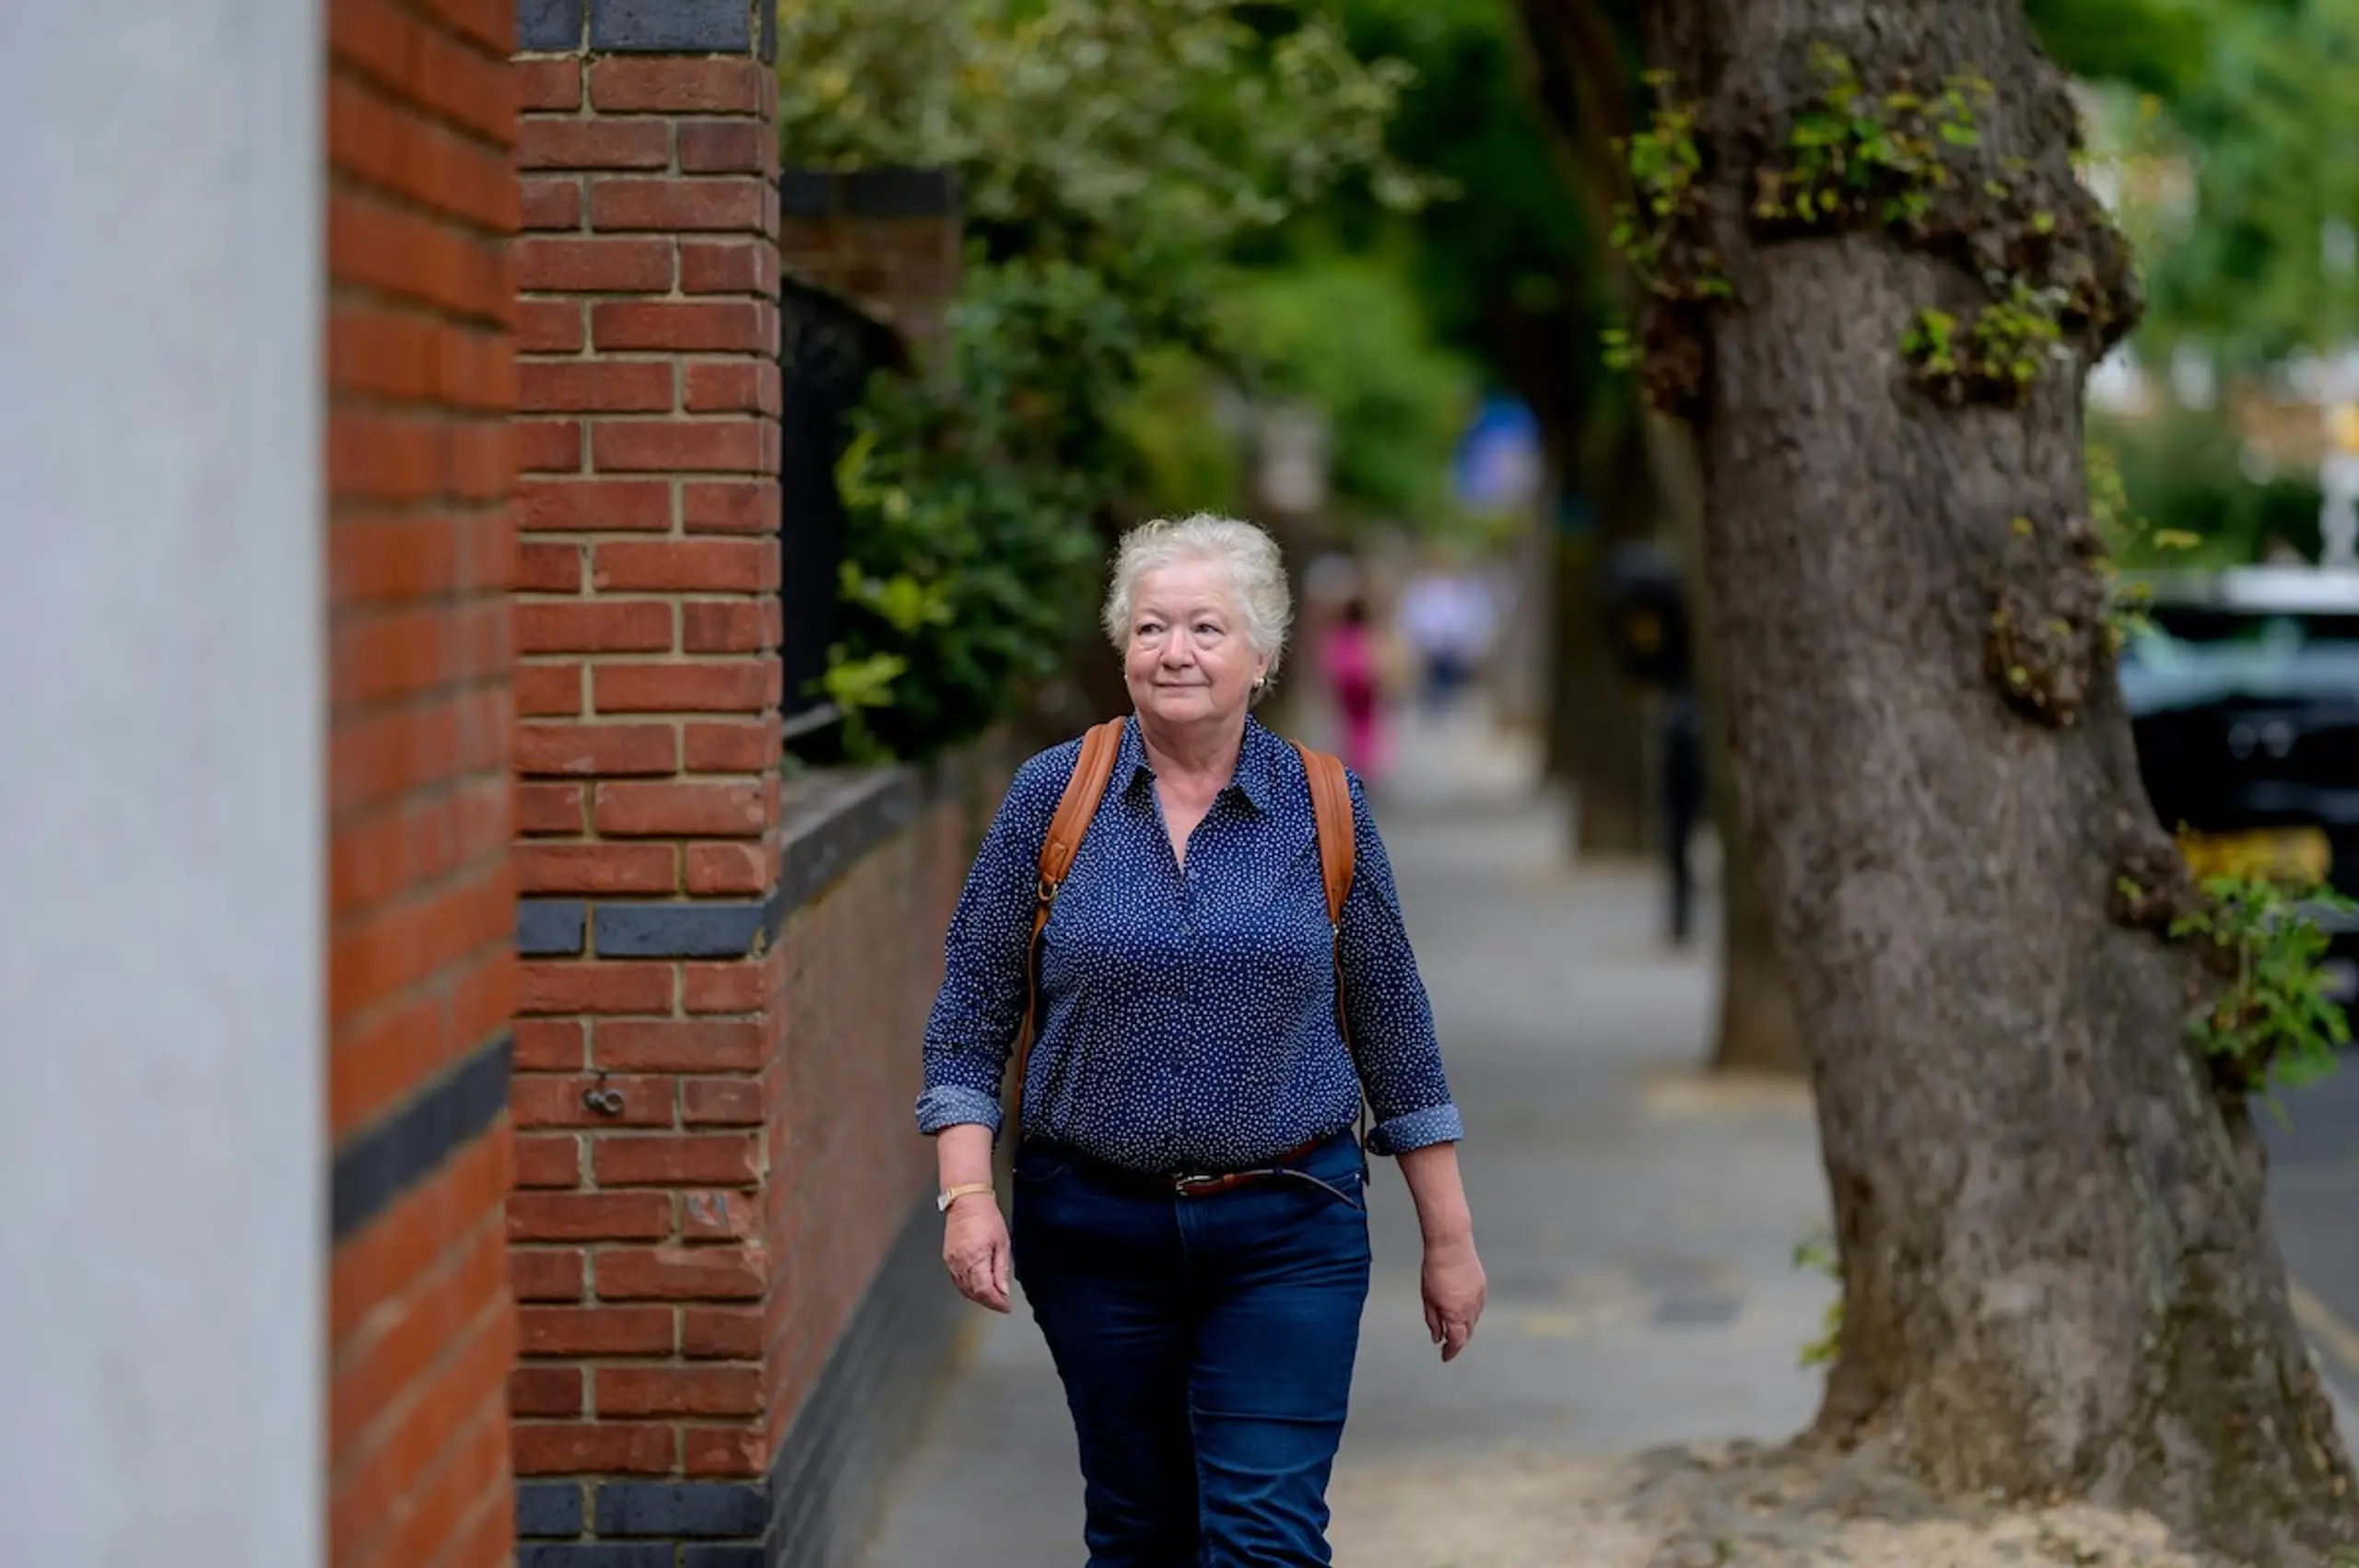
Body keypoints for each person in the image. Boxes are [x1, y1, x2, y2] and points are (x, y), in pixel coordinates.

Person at [916, 512, 1487, 1567]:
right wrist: (967, 1196)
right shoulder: (1056, 795)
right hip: (1092, 1231)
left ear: (1262, 657)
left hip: (1288, 1227)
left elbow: (1396, 1033)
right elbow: (970, 1016)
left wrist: (1447, 1241)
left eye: (1206, 628)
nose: (1174, 651)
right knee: (1140, 1532)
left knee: (1265, 1539)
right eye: (1150, 628)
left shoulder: (1324, 806)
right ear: (1121, 647)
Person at [1315, 592, 1389, 785]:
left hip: (1346, 687)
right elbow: (1377, 662)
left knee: (1348, 724)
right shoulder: (1367, 635)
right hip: (1365, 686)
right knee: (1366, 725)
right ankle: (1365, 763)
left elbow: (1329, 662)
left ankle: (1352, 762)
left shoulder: (1338, 635)